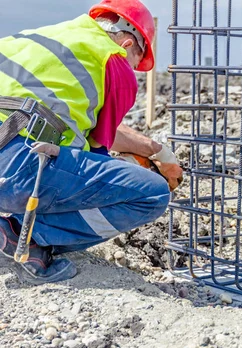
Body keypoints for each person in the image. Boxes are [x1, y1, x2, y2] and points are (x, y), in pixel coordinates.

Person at [0, 0, 183, 285]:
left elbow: (86, 125)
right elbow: (98, 150)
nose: (133, 69)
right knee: (152, 194)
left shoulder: (40, 39)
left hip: (8, 144)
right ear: (127, 43)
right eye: (137, 61)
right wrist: (132, 169)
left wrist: (155, 150)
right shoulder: (113, 59)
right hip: (14, 168)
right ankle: (23, 236)